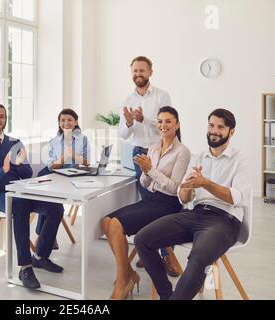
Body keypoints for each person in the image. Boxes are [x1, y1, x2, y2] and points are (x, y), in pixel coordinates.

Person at [135, 109, 252, 300]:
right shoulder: (198, 158)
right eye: (211, 125)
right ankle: (167, 296)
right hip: (195, 213)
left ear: (231, 132)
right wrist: (188, 187)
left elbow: (237, 197)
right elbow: (184, 198)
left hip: (224, 220)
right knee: (142, 240)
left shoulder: (241, 160)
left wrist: (206, 183)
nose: (214, 130)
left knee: (198, 258)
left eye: (220, 127)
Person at [0, 104, 64, 290]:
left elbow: (27, 173)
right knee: (18, 204)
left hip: (20, 190)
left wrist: (19, 165)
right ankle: (25, 267)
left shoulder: (15, 142)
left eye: (2, 117)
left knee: (55, 207)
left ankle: (40, 256)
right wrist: (3, 171)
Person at [102, 106, 190, 300]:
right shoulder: (153, 148)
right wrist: (145, 172)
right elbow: (145, 182)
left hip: (168, 205)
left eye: (168, 121)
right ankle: (128, 275)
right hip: (150, 199)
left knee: (115, 224)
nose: (163, 125)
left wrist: (151, 170)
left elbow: (174, 188)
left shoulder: (182, 152)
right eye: (160, 121)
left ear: (177, 124)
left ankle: (123, 281)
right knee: (107, 221)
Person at [118, 56, 178, 274]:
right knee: (147, 203)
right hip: (139, 153)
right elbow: (123, 134)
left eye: (142, 70)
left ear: (150, 72)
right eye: (134, 71)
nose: (138, 74)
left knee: (162, 203)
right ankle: (148, 250)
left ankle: (167, 255)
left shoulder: (162, 95)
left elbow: (167, 126)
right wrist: (128, 122)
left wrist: (145, 120)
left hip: (162, 153)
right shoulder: (127, 98)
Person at [34, 109, 91, 247]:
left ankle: (46, 236)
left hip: (70, 176)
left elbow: (87, 162)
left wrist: (73, 156)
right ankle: (43, 236)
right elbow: (52, 166)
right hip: (51, 173)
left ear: (76, 122)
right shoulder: (54, 141)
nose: (66, 123)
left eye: (70, 120)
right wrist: (63, 158)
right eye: (62, 120)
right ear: (59, 123)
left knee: (52, 203)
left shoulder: (83, 139)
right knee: (49, 201)